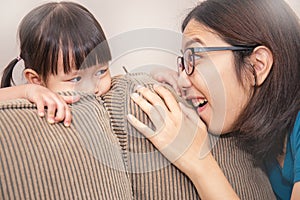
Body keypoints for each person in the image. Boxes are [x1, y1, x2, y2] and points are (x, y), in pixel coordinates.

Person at [127, 0, 300, 199]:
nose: (183, 80)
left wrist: (197, 160)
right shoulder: (265, 131)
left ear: (257, 65)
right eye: (184, 62)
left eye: (196, 56)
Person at [0, 1, 112, 127]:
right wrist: (27, 91)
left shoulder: (108, 99)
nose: (93, 89)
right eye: (76, 78)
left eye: (101, 72)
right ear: (36, 80)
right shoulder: (33, 99)